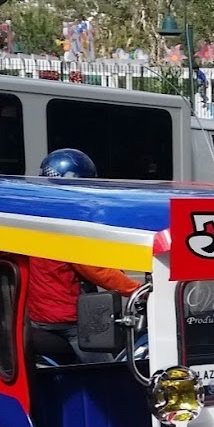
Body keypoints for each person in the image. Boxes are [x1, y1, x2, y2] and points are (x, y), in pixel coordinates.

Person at [30, 149, 140, 363]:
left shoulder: (36, 215)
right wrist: (137, 290)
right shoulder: (67, 222)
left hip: (39, 315)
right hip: (69, 318)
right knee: (106, 370)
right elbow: (96, 270)